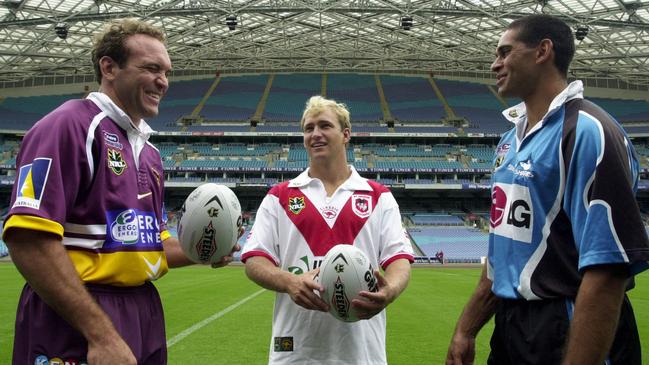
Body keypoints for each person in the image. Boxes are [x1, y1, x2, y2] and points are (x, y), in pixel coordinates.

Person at [3, 18, 237, 365]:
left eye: (167, 72)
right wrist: (100, 335)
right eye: (152, 69)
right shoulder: (67, 126)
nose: (163, 81)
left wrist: (202, 250)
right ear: (109, 67)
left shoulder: (152, 154)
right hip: (77, 315)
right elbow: (28, 238)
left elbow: (146, 245)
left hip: (142, 308)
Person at [446, 14, 649, 365]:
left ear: (542, 51)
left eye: (505, 52)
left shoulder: (589, 132)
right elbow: (502, 252)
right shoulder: (509, 143)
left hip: (567, 324)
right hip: (511, 327)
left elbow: (608, 271)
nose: (495, 64)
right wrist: (467, 328)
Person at [241, 95, 414, 364]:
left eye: (324, 126)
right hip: (294, 351)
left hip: (361, 352)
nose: (315, 134)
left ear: (346, 134)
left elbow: (399, 260)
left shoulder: (378, 196)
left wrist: (389, 290)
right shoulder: (279, 196)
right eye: (308, 128)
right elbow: (254, 260)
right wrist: (290, 282)